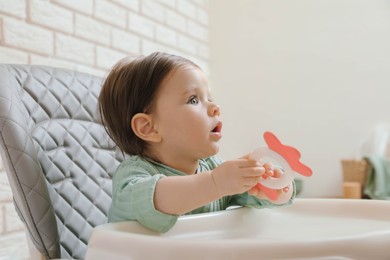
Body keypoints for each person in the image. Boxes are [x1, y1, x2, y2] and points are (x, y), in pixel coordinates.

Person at [98, 52, 295, 233]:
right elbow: (155, 198)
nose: (215, 107)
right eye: (193, 100)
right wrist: (217, 182)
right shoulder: (132, 177)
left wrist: (273, 188)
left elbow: (252, 198)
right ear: (149, 128)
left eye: (209, 98)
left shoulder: (213, 168)